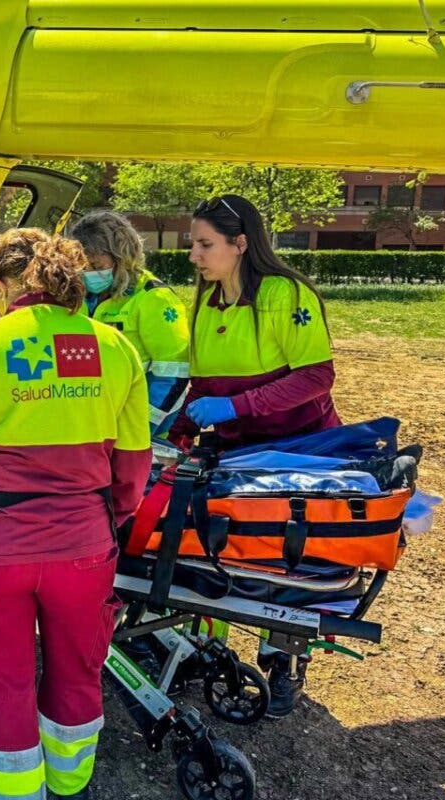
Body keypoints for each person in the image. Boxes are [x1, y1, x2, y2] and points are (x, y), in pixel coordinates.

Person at [0, 228, 152, 800]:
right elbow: (132, 467)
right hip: (82, 549)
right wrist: (110, 517)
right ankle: (71, 783)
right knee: (77, 672)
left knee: (2, 680)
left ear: (6, 285)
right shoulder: (112, 347)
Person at [170, 193, 341, 718]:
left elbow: (316, 376)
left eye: (205, 245)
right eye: (192, 245)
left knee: (289, 560)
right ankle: (206, 648)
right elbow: (202, 385)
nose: (194, 256)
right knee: (226, 551)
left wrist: (237, 404)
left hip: (296, 449)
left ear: (240, 244)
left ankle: (282, 658)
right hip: (238, 452)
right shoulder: (206, 302)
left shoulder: (284, 295)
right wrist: (176, 430)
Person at [71, 210, 190, 436]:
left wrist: (139, 427)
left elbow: (172, 374)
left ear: (121, 258)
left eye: (96, 266)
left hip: (147, 428)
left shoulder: (154, 299)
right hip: (96, 425)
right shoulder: (80, 297)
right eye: (81, 266)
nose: (87, 273)